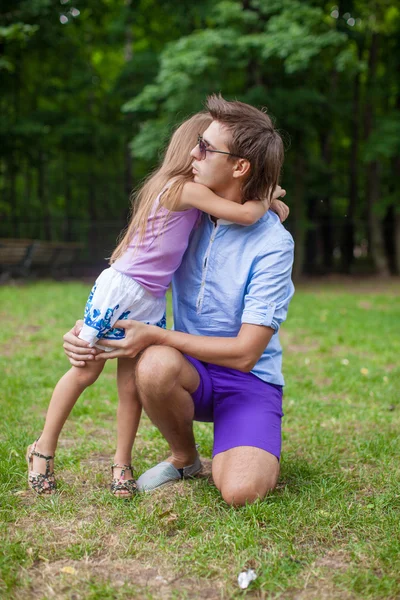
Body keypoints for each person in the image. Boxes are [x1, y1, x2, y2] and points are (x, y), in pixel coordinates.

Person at [27, 110, 289, 498]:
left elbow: (246, 354)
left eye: (206, 147)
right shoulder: (191, 213)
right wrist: (87, 326)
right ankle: (184, 457)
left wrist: (153, 334)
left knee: (241, 492)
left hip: (247, 380)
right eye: (196, 145)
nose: (196, 155)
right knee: (143, 368)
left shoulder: (272, 243)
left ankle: (224, 445)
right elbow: (135, 268)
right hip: (189, 367)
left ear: (239, 167)